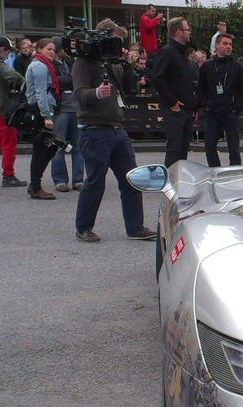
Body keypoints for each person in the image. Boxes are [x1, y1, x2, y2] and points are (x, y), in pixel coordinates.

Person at [72, 18, 156, 242]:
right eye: (116, 38)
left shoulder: (113, 64)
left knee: (131, 179)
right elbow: (79, 94)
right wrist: (96, 93)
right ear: (104, 37)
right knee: (95, 182)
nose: (120, 44)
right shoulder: (84, 62)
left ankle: (135, 227)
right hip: (94, 130)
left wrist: (128, 65)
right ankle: (84, 228)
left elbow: (131, 89)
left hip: (117, 130)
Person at [197, 33, 243, 167]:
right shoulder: (207, 66)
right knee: (209, 145)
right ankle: (214, 171)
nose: (228, 47)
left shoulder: (237, 66)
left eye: (230, 44)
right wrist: (205, 105)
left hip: (230, 111)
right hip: (213, 112)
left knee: (234, 148)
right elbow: (201, 88)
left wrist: (236, 109)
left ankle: (234, 173)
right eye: (225, 44)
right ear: (217, 45)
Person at [151, 17, 196, 167]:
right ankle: (171, 184)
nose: (190, 32)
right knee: (174, 150)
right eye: (187, 29)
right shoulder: (168, 51)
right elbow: (157, 78)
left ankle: (180, 183)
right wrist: (172, 101)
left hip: (186, 109)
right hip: (175, 110)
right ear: (178, 32)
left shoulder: (182, 52)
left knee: (183, 150)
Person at [25, 38, 61, 200]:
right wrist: (46, 115)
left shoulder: (43, 65)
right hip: (40, 113)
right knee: (41, 150)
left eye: (53, 49)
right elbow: (40, 93)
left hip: (42, 111)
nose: (52, 52)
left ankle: (34, 183)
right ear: (39, 50)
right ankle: (35, 187)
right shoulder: (39, 66)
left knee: (49, 148)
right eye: (49, 49)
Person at [49, 36, 84, 193]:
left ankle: (78, 180)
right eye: (64, 46)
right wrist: (69, 79)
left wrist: (68, 79)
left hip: (74, 108)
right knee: (59, 146)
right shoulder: (49, 64)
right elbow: (54, 81)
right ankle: (60, 180)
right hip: (59, 109)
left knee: (78, 146)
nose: (67, 49)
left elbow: (75, 80)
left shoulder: (69, 62)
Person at [0, 36, 27, 188]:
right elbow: (16, 77)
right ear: (1, 50)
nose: (7, 56)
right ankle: (8, 176)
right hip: (1, 112)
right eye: (7, 53)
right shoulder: (0, 65)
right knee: (9, 142)